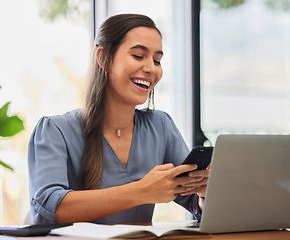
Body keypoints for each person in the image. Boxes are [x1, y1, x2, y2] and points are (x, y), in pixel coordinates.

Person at [28, 13, 210, 225]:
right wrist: (142, 191)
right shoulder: (55, 131)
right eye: (139, 56)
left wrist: (204, 194)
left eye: (157, 60)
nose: (151, 68)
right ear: (104, 58)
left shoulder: (161, 126)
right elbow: (49, 209)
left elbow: (193, 201)